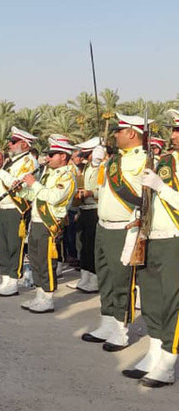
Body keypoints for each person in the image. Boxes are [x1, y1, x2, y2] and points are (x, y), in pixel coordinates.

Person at [81, 113, 150, 351]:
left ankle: (121, 330)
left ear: (131, 133)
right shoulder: (115, 161)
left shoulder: (143, 159)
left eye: (119, 131)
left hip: (124, 227)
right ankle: (107, 322)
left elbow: (143, 195)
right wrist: (96, 164)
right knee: (105, 277)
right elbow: (97, 188)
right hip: (103, 225)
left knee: (122, 280)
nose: (115, 135)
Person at [123, 108, 179, 387]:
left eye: (178, 131)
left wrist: (161, 188)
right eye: (174, 130)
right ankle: (155, 351)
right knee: (153, 300)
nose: (174, 135)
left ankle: (169, 360)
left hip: (174, 238)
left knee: (173, 302)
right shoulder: (166, 160)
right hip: (153, 236)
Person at [17, 138, 77, 312]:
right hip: (36, 221)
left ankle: (48, 298)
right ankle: (39, 295)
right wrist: (22, 190)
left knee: (46, 262)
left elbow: (54, 197)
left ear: (63, 156)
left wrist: (34, 184)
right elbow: (36, 196)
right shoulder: (48, 173)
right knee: (35, 260)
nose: (48, 158)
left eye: (52, 155)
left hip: (48, 224)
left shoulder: (67, 176)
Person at [0, 127, 38, 296]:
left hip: (17, 208)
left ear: (24, 144)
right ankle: (5, 280)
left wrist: (0, 173)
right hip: (3, 207)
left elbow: (19, 184)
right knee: (2, 246)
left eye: (14, 142)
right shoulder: (12, 160)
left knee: (14, 245)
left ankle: (14, 281)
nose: (10, 144)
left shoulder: (29, 161)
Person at [68, 136, 104, 293]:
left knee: (91, 246)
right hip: (84, 208)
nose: (84, 158)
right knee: (82, 245)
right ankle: (85, 277)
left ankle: (94, 280)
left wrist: (91, 193)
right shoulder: (87, 168)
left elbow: (104, 190)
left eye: (87, 154)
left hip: (95, 209)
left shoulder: (102, 168)